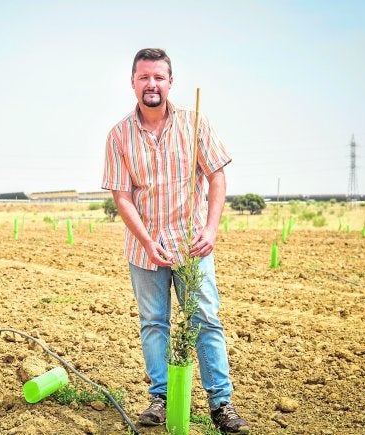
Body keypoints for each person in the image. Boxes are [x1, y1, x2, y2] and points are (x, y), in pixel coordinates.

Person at [101, 48, 249, 434]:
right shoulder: (118, 135)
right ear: (133, 82)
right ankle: (160, 398)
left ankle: (221, 403)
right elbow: (122, 196)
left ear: (170, 82)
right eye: (144, 77)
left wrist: (211, 228)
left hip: (191, 246)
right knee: (154, 323)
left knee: (206, 320)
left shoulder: (195, 122)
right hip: (144, 248)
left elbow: (217, 177)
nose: (152, 84)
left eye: (159, 77)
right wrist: (148, 241)